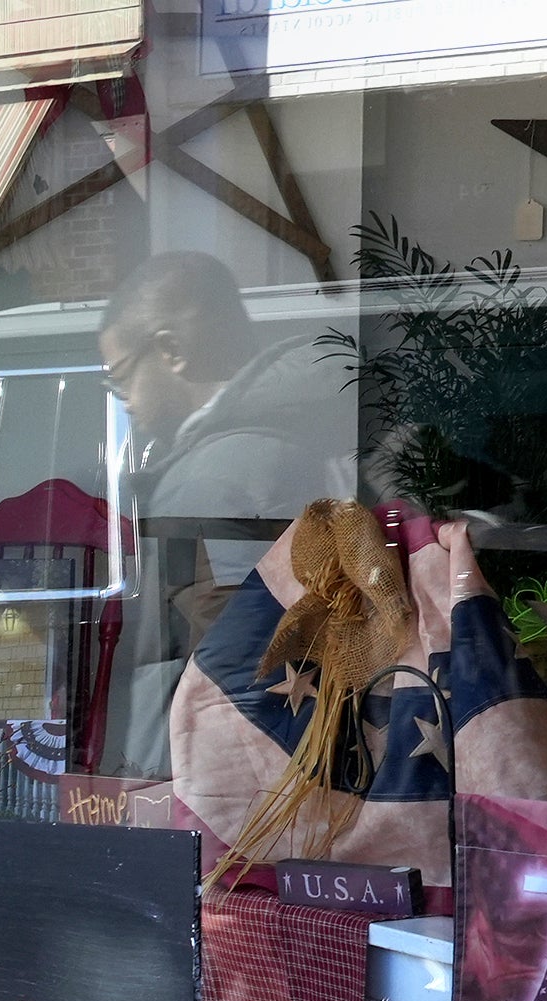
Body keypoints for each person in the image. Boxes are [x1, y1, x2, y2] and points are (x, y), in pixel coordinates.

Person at [96, 252, 357, 776]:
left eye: (120, 376)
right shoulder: (297, 444)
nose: (122, 400)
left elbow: (237, 651)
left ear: (170, 350)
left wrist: (155, 772)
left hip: (219, 772)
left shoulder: (215, 477)